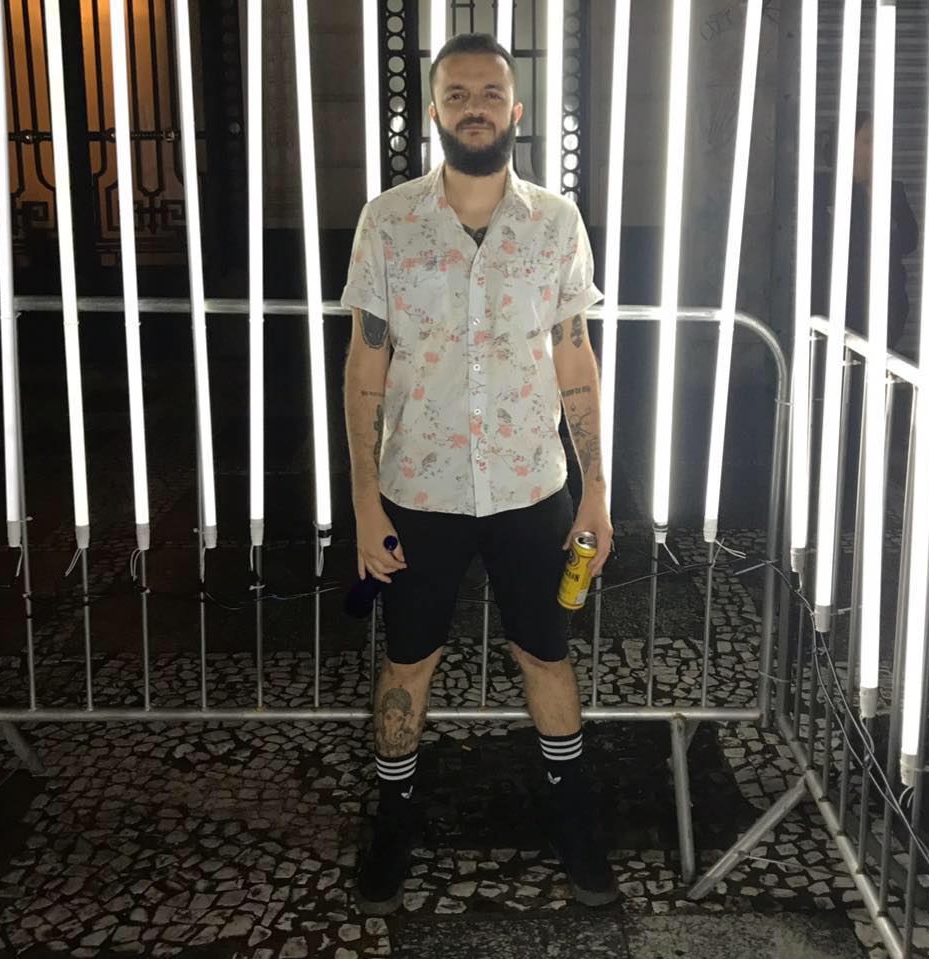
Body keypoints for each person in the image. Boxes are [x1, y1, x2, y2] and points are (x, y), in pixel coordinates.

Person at [341, 32, 616, 916]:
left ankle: (572, 818)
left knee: (546, 652)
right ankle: (393, 820)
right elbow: (364, 367)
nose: (474, 107)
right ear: (432, 110)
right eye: (456, 93)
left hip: (530, 484)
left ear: (515, 110)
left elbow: (574, 356)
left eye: (489, 93)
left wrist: (596, 490)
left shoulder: (555, 223)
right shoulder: (389, 221)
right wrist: (363, 502)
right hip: (418, 489)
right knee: (407, 660)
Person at [812, 111, 919, 349]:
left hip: (885, 309)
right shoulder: (822, 189)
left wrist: (874, 195)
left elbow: (910, 241)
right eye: (868, 141)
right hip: (834, 309)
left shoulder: (892, 192)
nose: (876, 149)